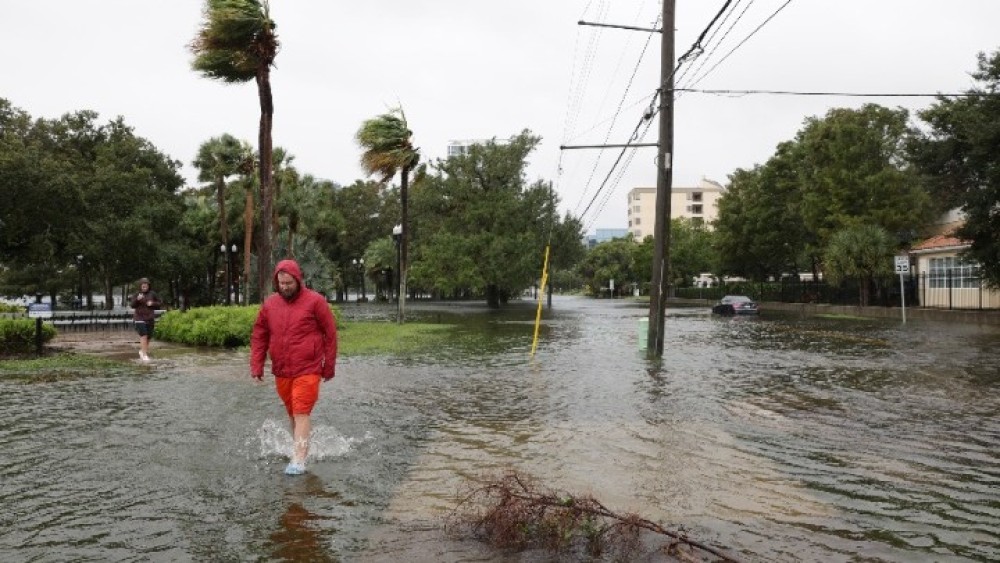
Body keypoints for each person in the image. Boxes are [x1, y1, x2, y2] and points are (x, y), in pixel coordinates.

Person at [251, 259, 338, 476]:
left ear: (298, 280)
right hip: (282, 368)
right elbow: (259, 335)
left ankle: (299, 459)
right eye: (281, 283)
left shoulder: (315, 301)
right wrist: (257, 364)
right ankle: (301, 446)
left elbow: (330, 334)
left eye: (289, 282)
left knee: (301, 410)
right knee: (292, 413)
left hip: (308, 367)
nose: (285, 287)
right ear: (276, 282)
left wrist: (329, 365)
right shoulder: (270, 304)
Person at [130, 278, 162, 362]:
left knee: (148, 337)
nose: (144, 286)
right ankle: (144, 355)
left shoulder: (153, 294)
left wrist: (152, 303)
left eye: (146, 285)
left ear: (148, 286)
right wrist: (137, 300)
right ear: (140, 286)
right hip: (139, 318)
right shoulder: (137, 294)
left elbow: (160, 303)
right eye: (143, 285)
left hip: (150, 318)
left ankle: (142, 351)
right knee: (143, 335)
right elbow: (132, 305)